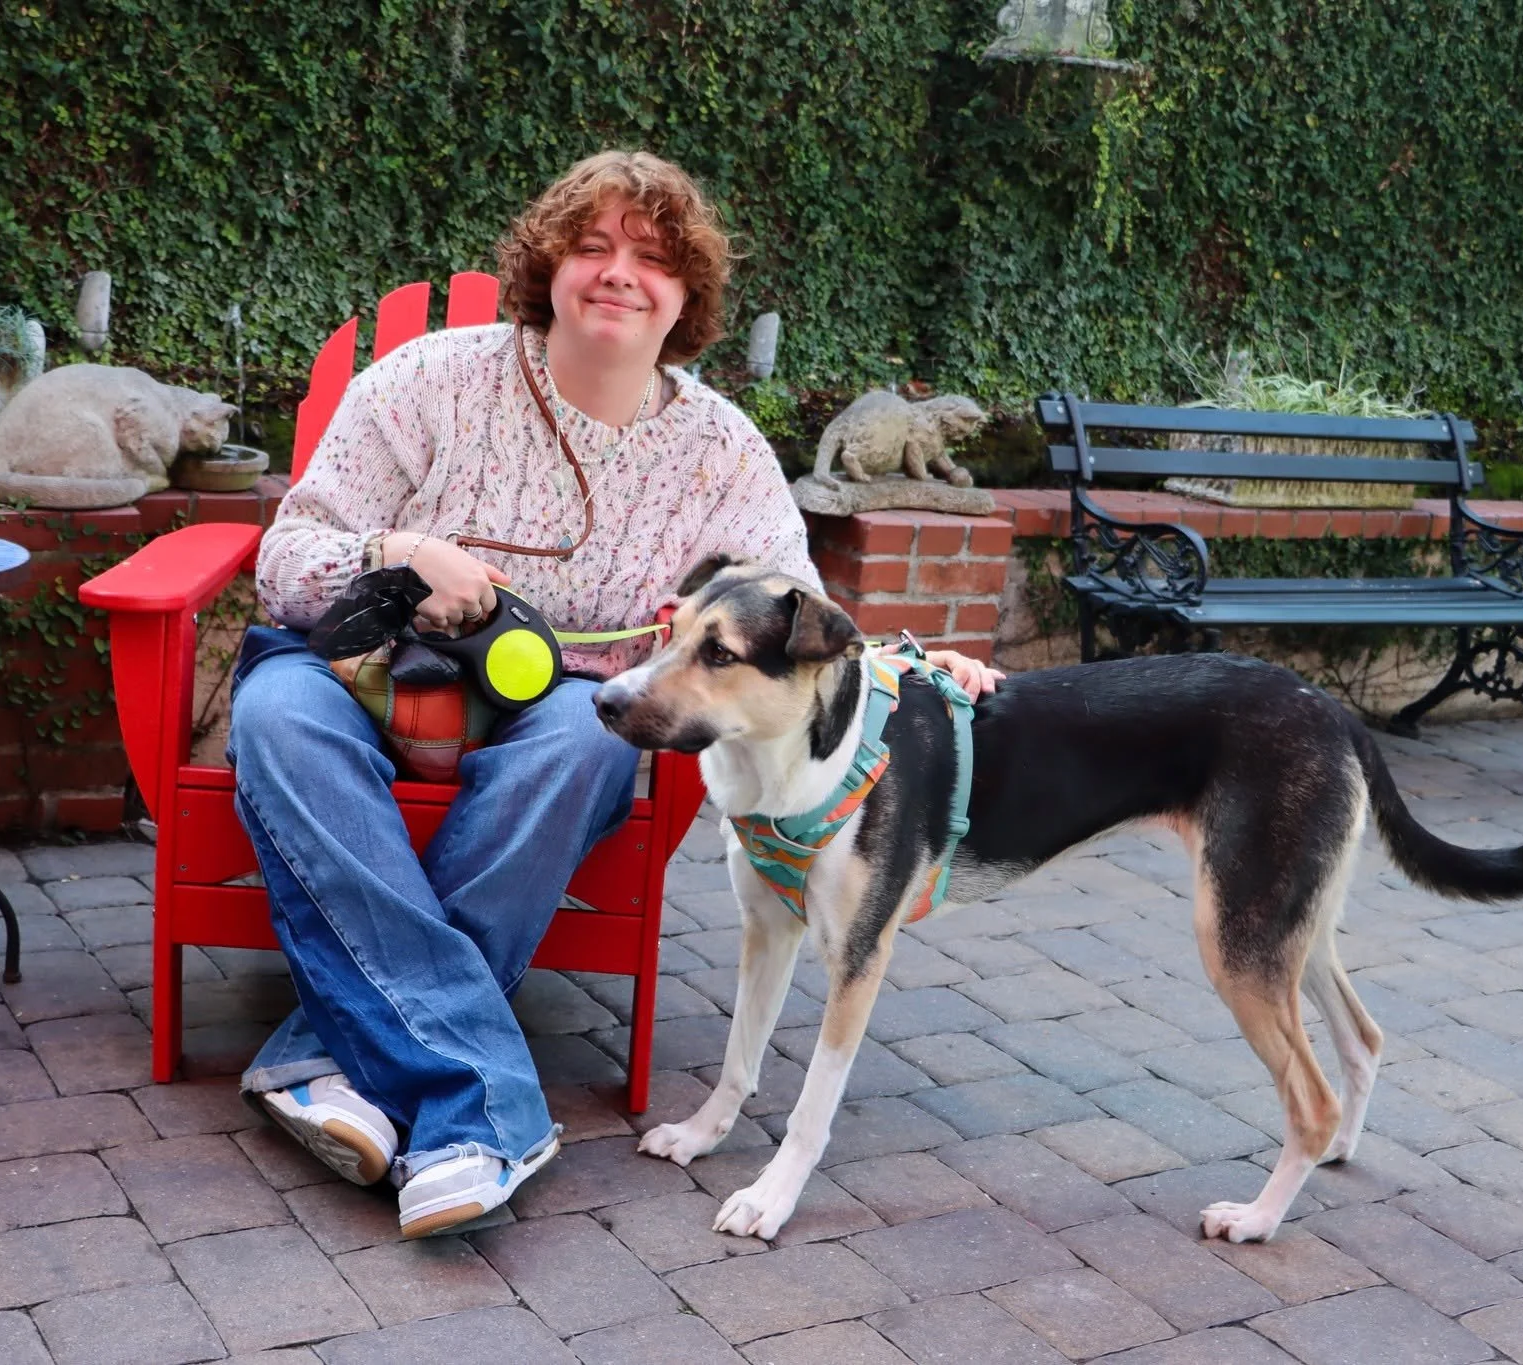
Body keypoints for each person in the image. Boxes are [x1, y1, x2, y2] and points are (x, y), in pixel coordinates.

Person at [229, 149, 1002, 1237]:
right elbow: (287, 556)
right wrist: (402, 552)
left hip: (562, 703)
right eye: (589, 246)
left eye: (650, 257)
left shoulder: (720, 452)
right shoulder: (426, 382)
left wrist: (925, 668)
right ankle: (473, 1105)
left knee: (588, 742)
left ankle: (337, 1062)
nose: (616, 273)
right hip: (353, 672)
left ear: (686, 298)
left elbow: (802, 616)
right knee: (273, 716)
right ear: (545, 267)